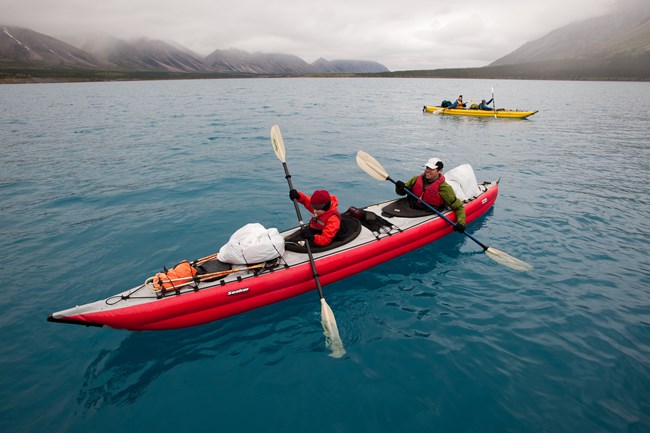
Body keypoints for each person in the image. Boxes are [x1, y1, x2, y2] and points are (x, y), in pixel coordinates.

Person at [394, 158, 467, 232]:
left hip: (428, 211)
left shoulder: (445, 188)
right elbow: (401, 193)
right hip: (410, 206)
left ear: (440, 171)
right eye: (427, 167)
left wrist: (461, 223)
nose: (427, 171)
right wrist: (399, 187)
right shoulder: (416, 179)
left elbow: (459, 207)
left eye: (431, 169)